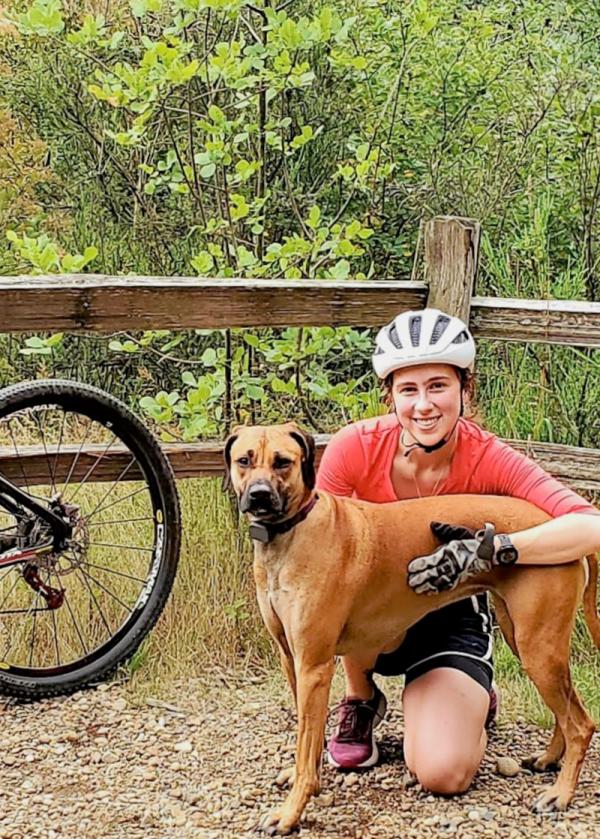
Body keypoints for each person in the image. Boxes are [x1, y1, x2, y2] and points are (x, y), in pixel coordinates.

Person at [316, 307, 600, 796]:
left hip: (451, 616)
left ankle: (482, 701)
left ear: (466, 390)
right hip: (374, 619)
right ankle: (361, 699)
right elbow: (322, 561)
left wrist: (496, 550)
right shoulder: (353, 449)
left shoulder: (490, 457)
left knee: (442, 773)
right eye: (408, 390)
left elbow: (589, 527)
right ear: (390, 397)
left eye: (438, 386)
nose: (424, 405)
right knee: (345, 590)